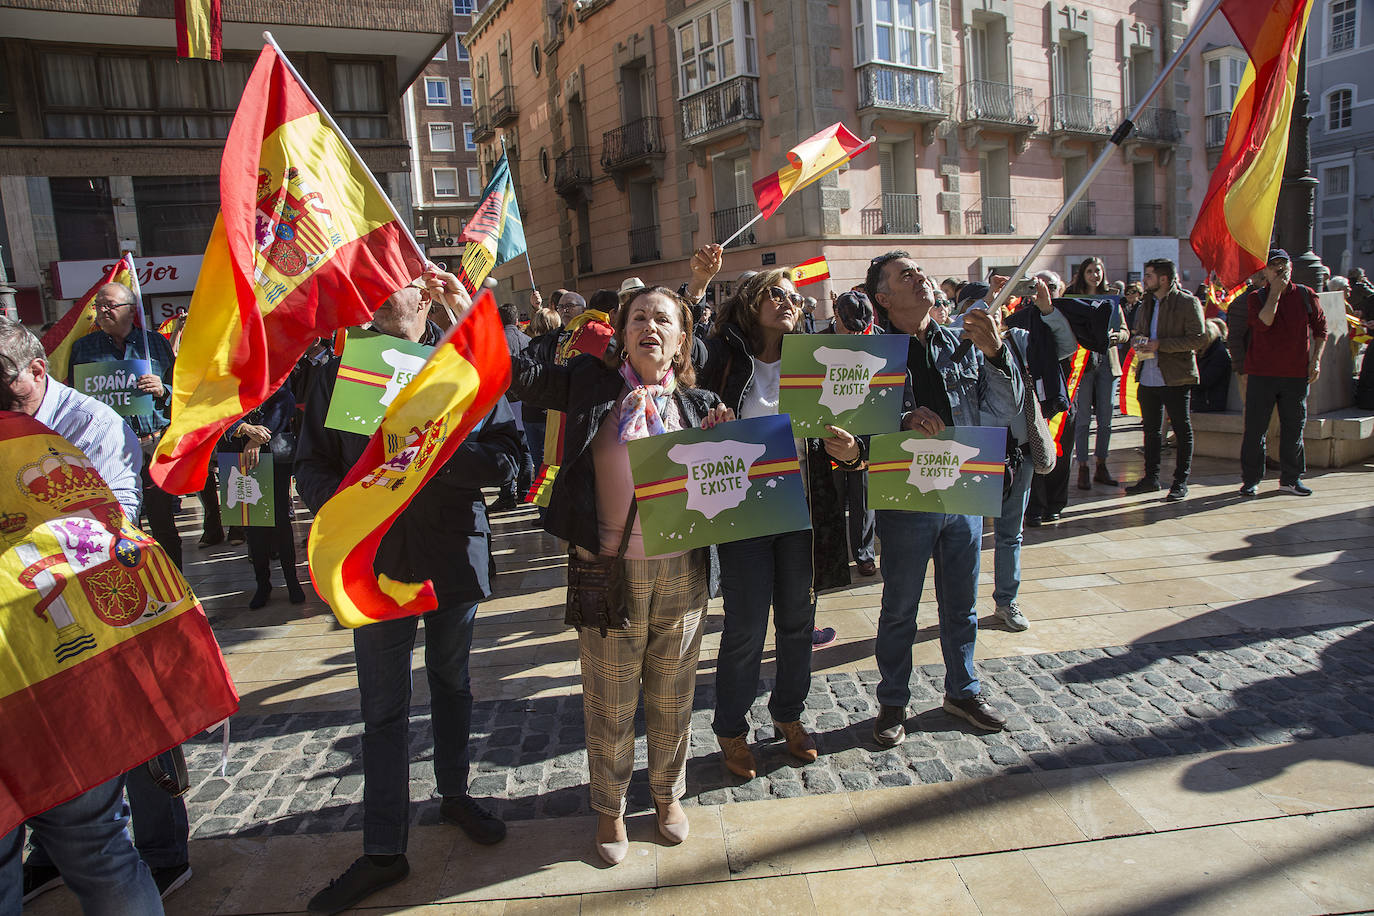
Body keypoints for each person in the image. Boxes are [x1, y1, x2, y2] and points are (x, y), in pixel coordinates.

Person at [297, 270, 520, 914]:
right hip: (375, 562)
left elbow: (511, 457)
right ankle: (383, 849)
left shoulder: (465, 371)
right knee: (383, 707)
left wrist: (435, 454)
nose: (412, 297)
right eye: (395, 289)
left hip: (451, 555)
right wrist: (348, 505)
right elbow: (310, 462)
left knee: (452, 683)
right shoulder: (343, 372)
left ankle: (455, 795)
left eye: (416, 289)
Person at [510, 285, 730, 865]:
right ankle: (609, 808)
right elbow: (519, 377)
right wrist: (462, 310)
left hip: (682, 572)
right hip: (608, 572)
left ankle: (666, 797)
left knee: (673, 695)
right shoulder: (591, 387)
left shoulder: (701, 404)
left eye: (663, 320)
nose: (649, 328)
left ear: (682, 339)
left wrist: (723, 440)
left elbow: (731, 485)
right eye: (638, 319)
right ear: (623, 334)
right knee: (610, 700)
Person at [1, 318, 191, 907]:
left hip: (94, 620)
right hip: (16, 647)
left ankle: (164, 855)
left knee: (130, 746)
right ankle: (47, 854)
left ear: (37, 370)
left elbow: (112, 520)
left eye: (7, 391)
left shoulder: (92, 422)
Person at [693, 269, 861, 779]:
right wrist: (708, 418)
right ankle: (731, 728)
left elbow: (852, 430)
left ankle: (789, 714)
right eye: (774, 293)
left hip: (803, 510)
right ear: (749, 301)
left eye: (793, 295)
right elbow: (686, 375)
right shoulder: (722, 356)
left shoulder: (814, 360)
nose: (787, 301)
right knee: (744, 627)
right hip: (743, 510)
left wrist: (852, 452)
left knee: (797, 621)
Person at [864, 252, 1022, 744]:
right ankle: (893, 702)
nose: (921, 276)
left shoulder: (963, 343)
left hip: (964, 489)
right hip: (906, 497)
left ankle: (963, 689)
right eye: (905, 274)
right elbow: (847, 430)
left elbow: (1006, 409)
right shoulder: (867, 355)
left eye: (920, 270)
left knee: (962, 603)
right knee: (900, 606)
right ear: (884, 298)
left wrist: (997, 356)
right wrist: (901, 420)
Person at [969, 277, 1077, 633]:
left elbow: (1062, 347)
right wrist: (984, 300)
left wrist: (1047, 307)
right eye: (986, 308)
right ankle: (961, 605)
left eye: (996, 309)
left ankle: (1006, 601)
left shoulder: (1019, 340)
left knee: (1010, 533)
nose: (991, 316)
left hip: (1019, 453)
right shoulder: (959, 343)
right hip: (973, 454)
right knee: (964, 535)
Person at [68, 282, 181, 568]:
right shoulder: (83, 348)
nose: (103, 311)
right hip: (109, 451)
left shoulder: (154, 344)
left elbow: (181, 391)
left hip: (151, 445)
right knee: (121, 526)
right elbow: (75, 397)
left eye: (110, 305)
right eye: (99, 306)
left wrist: (163, 389)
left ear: (131, 310)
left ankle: (177, 589)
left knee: (163, 524)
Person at [1239, 249, 1327, 497]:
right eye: (1274, 266)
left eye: (1283, 265)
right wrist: (1275, 293)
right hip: (1261, 373)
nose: (1280, 270)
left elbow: (1321, 329)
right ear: (1265, 271)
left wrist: (1316, 361)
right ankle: (1251, 480)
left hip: (1295, 374)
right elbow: (1264, 322)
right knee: (1256, 428)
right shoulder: (1256, 297)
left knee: (1294, 427)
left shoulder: (1306, 295)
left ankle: (1291, 479)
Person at [1124, 258, 1206, 502]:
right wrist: (1138, 342)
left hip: (1176, 377)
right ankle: (1151, 478)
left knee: (1182, 429)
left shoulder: (1187, 303)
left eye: (1148, 275)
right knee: (1150, 431)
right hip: (1148, 375)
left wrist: (1162, 345)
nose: (1144, 280)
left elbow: (1198, 339)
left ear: (1163, 279)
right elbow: (1140, 331)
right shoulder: (1146, 302)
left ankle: (1181, 481)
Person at [223, 382, 304, 609]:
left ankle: (292, 581)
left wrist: (258, 438)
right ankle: (263, 584)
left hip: (273, 450)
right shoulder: (222, 366)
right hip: (238, 456)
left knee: (280, 520)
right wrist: (243, 429)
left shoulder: (271, 362)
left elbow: (285, 401)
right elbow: (214, 406)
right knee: (253, 524)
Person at [827, 290, 878, 577]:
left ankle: (864, 553)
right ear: (836, 314)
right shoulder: (816, 341)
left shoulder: (878, 340)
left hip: (865, 429)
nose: (856, 332)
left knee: (864, 497)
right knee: (834, 495)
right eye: (849, 325)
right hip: (830, 432)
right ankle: (834, 553)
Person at [1066, 257, 1128, 491]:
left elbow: (1124, 331)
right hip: (1083, 363)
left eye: (1098, 271)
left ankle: (1102, 464)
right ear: (1083, 274)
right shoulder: (1074, 299)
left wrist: (1116, 337)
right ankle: (1082, 465)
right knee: (1082, 419)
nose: (1095, 275)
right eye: (1090, 271)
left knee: (1106, 419)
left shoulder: (1112, 298)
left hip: (1107, 362)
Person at [1025, 270, 1073, 525]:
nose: (1044, 289)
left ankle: (1055, 503)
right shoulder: (1023, 315)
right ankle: (1034, 506)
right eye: (1036, 285)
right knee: (1036, 452)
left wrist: (1048, 311)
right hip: (1033, 398)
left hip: (1061, 394)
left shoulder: (1070, 312)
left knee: (1061, 454)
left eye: (1051, 285)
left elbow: (1069, 346)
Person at [492, 302, 533, 512]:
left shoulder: (495, 341)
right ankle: (525, 491)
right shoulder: (527, 340)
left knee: (505, 448)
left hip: (503, 402)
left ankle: (507, 494)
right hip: (523, 401)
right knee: (525, 449)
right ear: (517, 321)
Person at [1192, 318, 1232, 413]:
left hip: (1210, 401)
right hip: (1200, 399)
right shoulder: (1204, 353)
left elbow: (1205, 380)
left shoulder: (1219, 354)